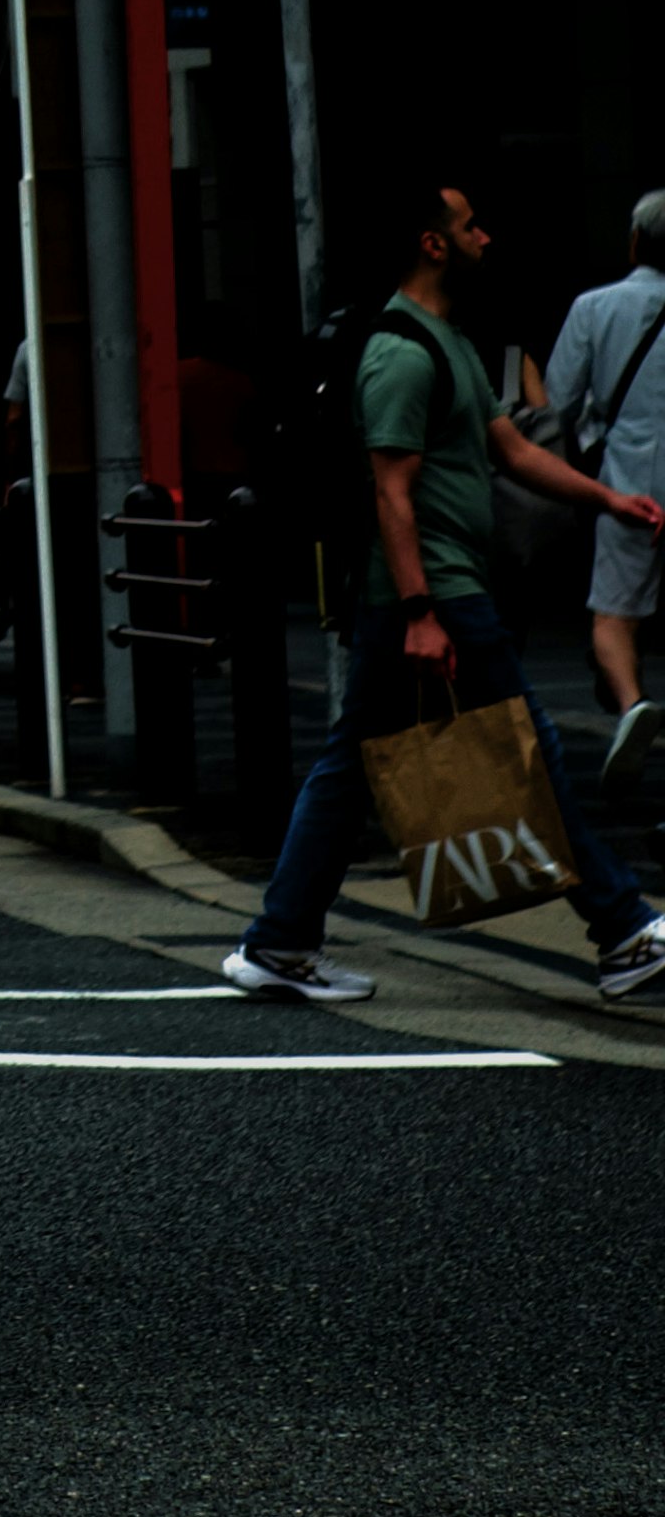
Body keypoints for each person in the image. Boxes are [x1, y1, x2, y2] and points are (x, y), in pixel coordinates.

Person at [225, 183, 665, 1007]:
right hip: (433, 593)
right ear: (434, 244)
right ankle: (625, 929)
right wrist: (424, 613)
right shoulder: (400, 352)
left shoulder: (448, 341)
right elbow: (393, 494)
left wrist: (606, 499)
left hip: (429, 593)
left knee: (353, 765)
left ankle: (281, 939)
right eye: (470, 226)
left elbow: (508, 448)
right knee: (525, 752)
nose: (485, 237)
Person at [531, 190, 665, 800]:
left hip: (630, 479)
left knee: (615, 613)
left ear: (636, 241)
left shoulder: (595, 307)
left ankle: (633, 705)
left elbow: (556, 403)